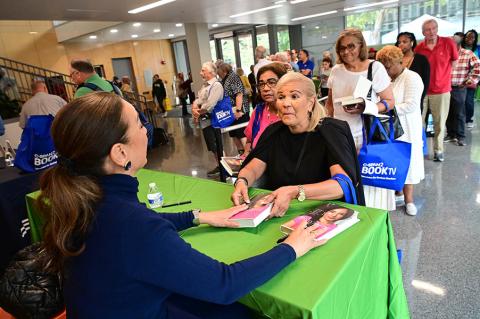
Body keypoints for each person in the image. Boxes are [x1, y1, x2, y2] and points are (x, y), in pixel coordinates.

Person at [38, 92, 326, 318]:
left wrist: (201, 217)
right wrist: (291, 247)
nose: (146, 131)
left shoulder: (85, 200)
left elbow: (144, 225)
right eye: (139, 124)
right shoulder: (130, 224)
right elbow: (224, 284)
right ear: (119, 152)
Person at [232, 72, 365, 217]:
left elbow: (341, 185)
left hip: (323, 214)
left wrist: (294, 191)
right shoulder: (273, 132)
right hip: (279, 212)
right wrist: (242, 181)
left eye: (294, 96)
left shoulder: (331, 131)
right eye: (281, 97)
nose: (286, 103)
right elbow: (253, 167)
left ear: (311, 102)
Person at [325, 28, 395, 211]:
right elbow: (331, 105)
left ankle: (373, 217)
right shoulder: (336, 70)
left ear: (361, 46)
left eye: (351, 46)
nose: (346, 52)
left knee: (369, 182)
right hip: (339, 137)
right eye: (342, 48)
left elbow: (389, 102)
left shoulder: (375, 68)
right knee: (345, 181)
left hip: (365, 136)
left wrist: (367, 107)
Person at [377, 45, 425, 216]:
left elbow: (411, 105)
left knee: (408, 163)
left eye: (388, 67)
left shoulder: (412, 78)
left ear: (399, 61)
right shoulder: (389, 80)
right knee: (395, 162)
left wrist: (384, 107)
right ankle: (398, 193)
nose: (387, 71)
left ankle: (409, 200)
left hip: (408, 127)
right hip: (392, 128)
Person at [414, 19, 458, 162]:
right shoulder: (419, 48)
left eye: (433, 28)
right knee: (418, 122)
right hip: (422, 91)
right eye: (427, 30)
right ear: (423, 33)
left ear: (437, 28)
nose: (431, 32)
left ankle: (438, 150)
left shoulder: (448, 43)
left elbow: (454, 62)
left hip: (441, 90)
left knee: (439, 122)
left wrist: (442, 76)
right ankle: (419, 149)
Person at [243, 63, 287, 157]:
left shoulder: (291, 113)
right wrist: (246, 155)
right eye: (261, 84)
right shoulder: (259, 111)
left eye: (271, 82)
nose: (265, 89)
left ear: (284, 82)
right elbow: (249, 141)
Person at [445, 32, 480, 146]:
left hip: (459, 87)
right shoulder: (446, 54)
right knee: (448, 112)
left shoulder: (467, 53)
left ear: (458, 45)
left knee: (459, 113)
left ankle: (461, 136)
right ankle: (451, 134)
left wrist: (469, 81)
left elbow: (477, 67)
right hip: (445, 88)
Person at [192, 62, 225, 177]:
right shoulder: (205, 85)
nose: (201, 73)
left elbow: (210, 104)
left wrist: (198, 111)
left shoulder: (216, 85)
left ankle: (223, 167)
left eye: (203, 70)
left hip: (214, 121)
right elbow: (198, 99)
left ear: (211, 72)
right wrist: (195, 106)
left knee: (216, 145)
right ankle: (220, 165)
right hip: (206, 121)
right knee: (212, 146)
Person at [217, 62, 250, 154]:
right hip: (231, 111)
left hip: (239, 110)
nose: (217, 73)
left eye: (218, 71)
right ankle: (241, 154)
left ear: (224, 71)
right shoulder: (225, 79)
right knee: (234, 133)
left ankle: (248, 155)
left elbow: (239, 94)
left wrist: (238, 111)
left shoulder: (233, 77)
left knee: (242, 133)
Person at [395, 32, 430, 109]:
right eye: (399, 42)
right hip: (397, 99)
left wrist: (420, 98)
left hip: (415, 98)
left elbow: (426, 81)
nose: (401, 44)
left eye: (404, 42)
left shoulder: (421, 59)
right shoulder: (395, 59)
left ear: (412, 43)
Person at [462, 29, 480, 129]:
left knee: (469, 100)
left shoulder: (477, 49)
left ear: (475, 39)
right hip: (460, 78)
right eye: (468, 36)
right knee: (460, 100)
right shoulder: (460, 48)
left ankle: (469, 119)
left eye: (472, 37)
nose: (469, 39)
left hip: (472, 79)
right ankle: (462, 118)